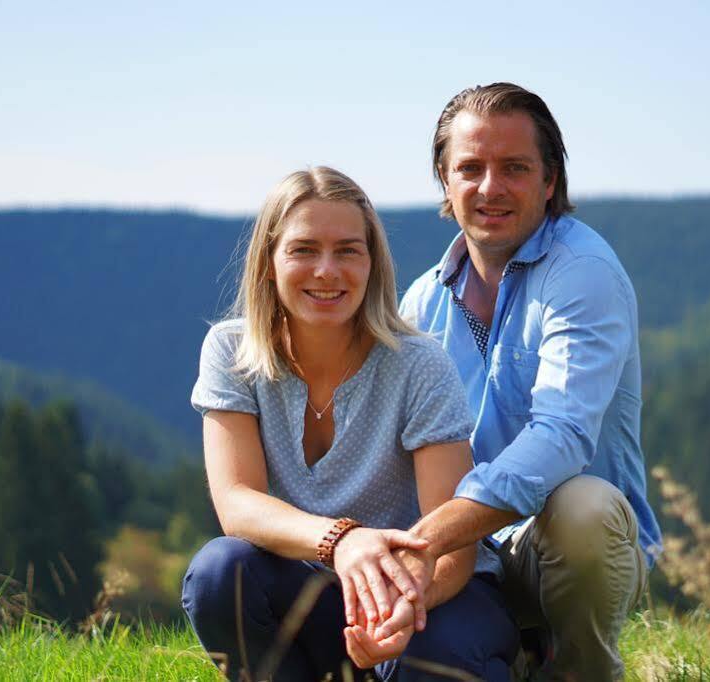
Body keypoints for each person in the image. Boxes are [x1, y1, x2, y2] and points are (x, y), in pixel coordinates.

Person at [181, 167, 517, 681]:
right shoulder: (231, 352)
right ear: (269, 263)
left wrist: (405, 602)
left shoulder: (418, 363)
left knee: (436, 662)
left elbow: (453, 544)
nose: (327, 271)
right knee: (219, 574)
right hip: (320, 592)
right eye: (304, 250)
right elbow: (237, 504)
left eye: (347, 250)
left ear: (372, 264)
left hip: (434, 593)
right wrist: (342, 541)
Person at [397, 83, 663, 680]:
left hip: (561, 550)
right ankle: (510, 654)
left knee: (582, 508)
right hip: (464, 553)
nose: (490, 187)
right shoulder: (419, 302)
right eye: (470, 168)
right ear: (445, 180)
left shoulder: (583, 273)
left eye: (514, 168)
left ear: (550, 181)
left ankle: (579, 671)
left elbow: (564, 436)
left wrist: (431, 536)